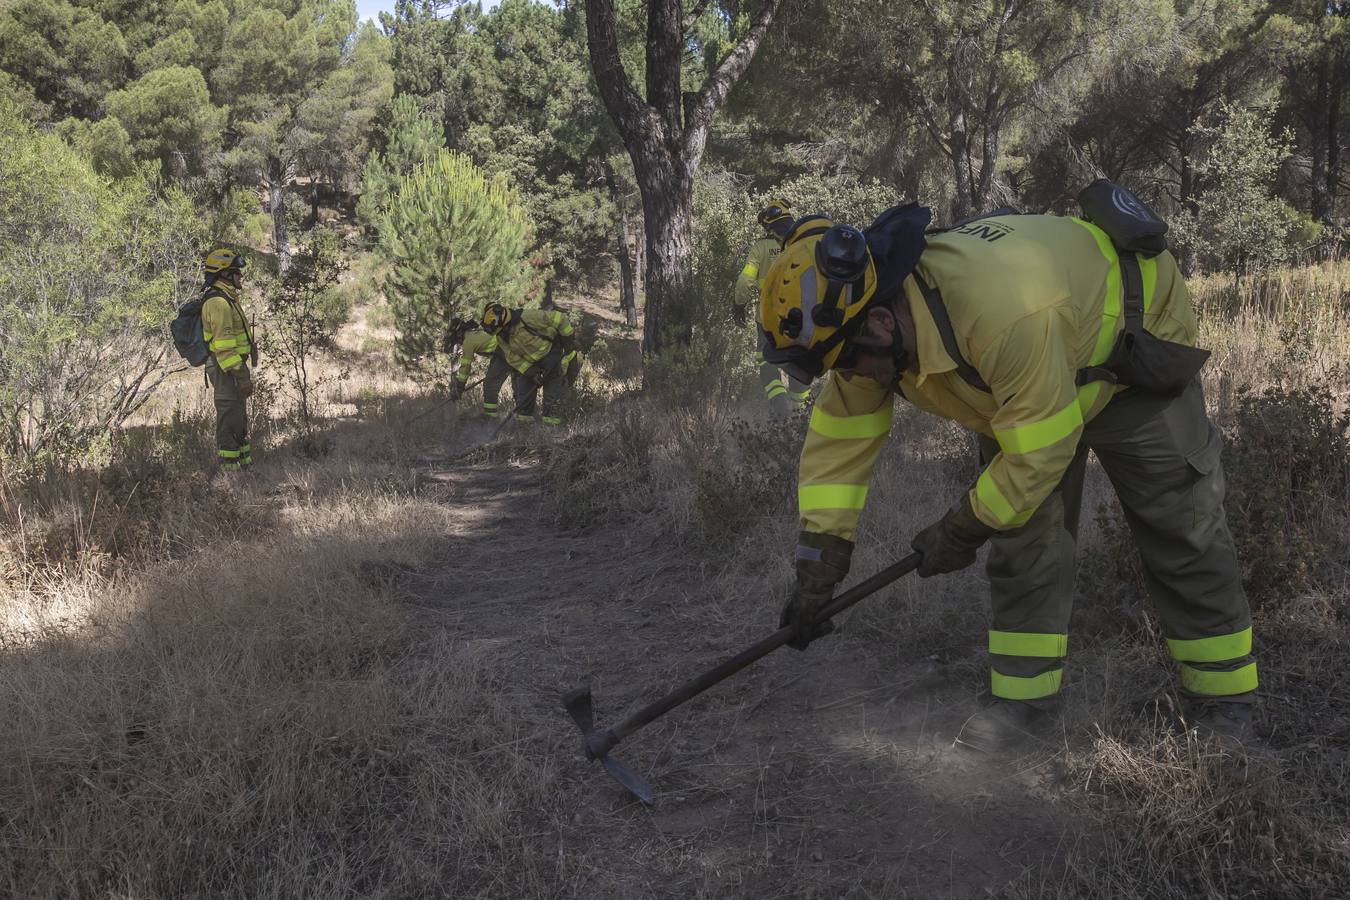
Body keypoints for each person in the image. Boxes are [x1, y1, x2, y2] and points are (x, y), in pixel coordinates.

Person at [757, 191, 1255, 752]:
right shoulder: (869, 335)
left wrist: (962, 527)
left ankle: (1224, 699)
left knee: (1180, 524)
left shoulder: (999, 312)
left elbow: (1039, 451)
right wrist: (816, 574)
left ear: (877, 318)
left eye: (845, 360)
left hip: (1130, 352)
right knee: (1024, 539)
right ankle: (1023, 704)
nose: (846, 374)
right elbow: (836, 454)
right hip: (1031, 376)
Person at [735, 199, 811, 414]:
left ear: (769, 225)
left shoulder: (761, 248)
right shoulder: (804, 245)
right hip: (801, 318)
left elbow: (744, 281)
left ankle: (780, 407)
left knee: (766, 360)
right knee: (798, 362)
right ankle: (800, 416)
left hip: (767, 319)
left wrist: (739, 305)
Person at [201, 249, 256, 472]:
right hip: (227, 369)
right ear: (225, 275)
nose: (240, 277)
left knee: (238, 419)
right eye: (236, 272)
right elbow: (224, 348)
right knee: (229, 418)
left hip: (232, 367)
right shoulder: (219, 303)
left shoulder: (227, 299)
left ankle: (244, 470)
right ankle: (229, 475)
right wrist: (242, 375)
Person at [481, 303, 576, 426]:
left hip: (550, 355)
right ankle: (525, 430)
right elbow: (512, 358)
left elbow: (560, 318)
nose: (500, 335)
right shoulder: (501, 337)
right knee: (524, 401)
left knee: (552, 399)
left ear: (506, 323)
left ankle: (551, 432)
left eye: (501, 331)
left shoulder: (528, 317)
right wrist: (530, 372)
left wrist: (568, 342)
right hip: (529, 363)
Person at [449, 318, 510, 419]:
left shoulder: (468, 341)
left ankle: (491, 417)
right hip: (501, 352)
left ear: (459, 333)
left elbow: (466, 366)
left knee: (490, 384)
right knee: (515, 382)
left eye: (455, 337)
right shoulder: (473, 334)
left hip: (504, 352)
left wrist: (460, 385)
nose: (456, 340)